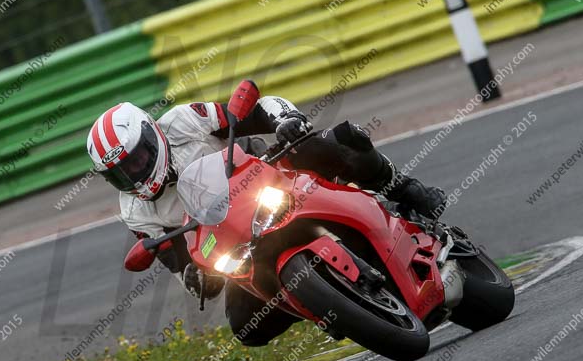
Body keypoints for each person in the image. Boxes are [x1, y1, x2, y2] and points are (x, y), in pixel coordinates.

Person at [85, 96, 446, 346]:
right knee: (246, 329)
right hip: (237, 243)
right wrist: (198, 276)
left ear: (152, 136)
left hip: (272, 176)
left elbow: (254, 110)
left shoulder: (184, 120)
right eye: (120, 174)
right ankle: (328, 305)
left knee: (333, 141)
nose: (134, 175)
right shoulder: (136, 211)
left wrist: (285, 122)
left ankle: (405, 190)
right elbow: (182, 268)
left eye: (135, 161)